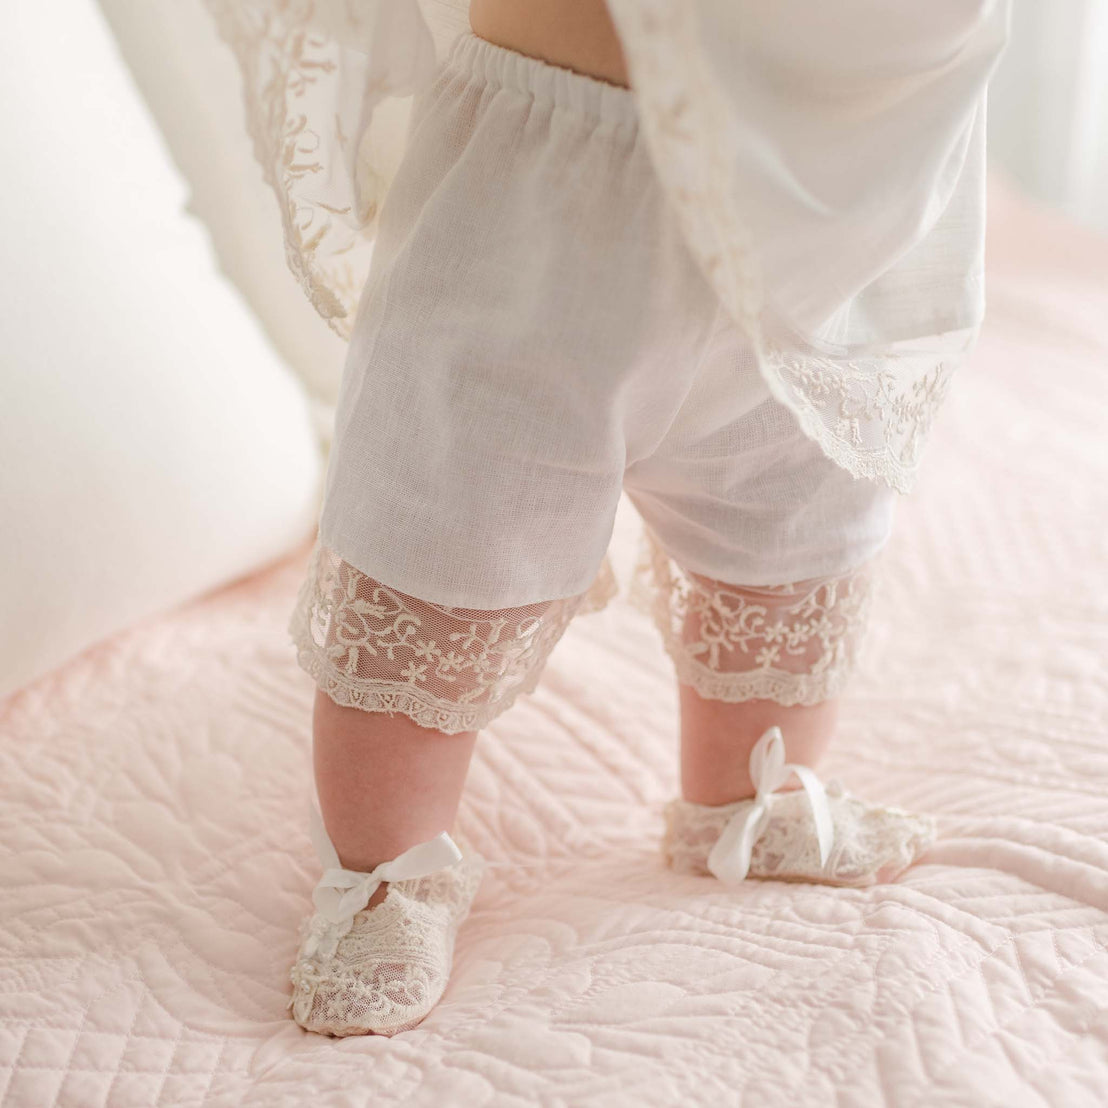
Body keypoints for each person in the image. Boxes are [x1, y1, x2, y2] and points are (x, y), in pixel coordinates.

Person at [207, 0, 1011, 1036]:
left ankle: (748, 792)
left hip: (831, 215)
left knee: (791, 543)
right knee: (442, 546)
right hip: (550, 194)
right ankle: (382, 872)